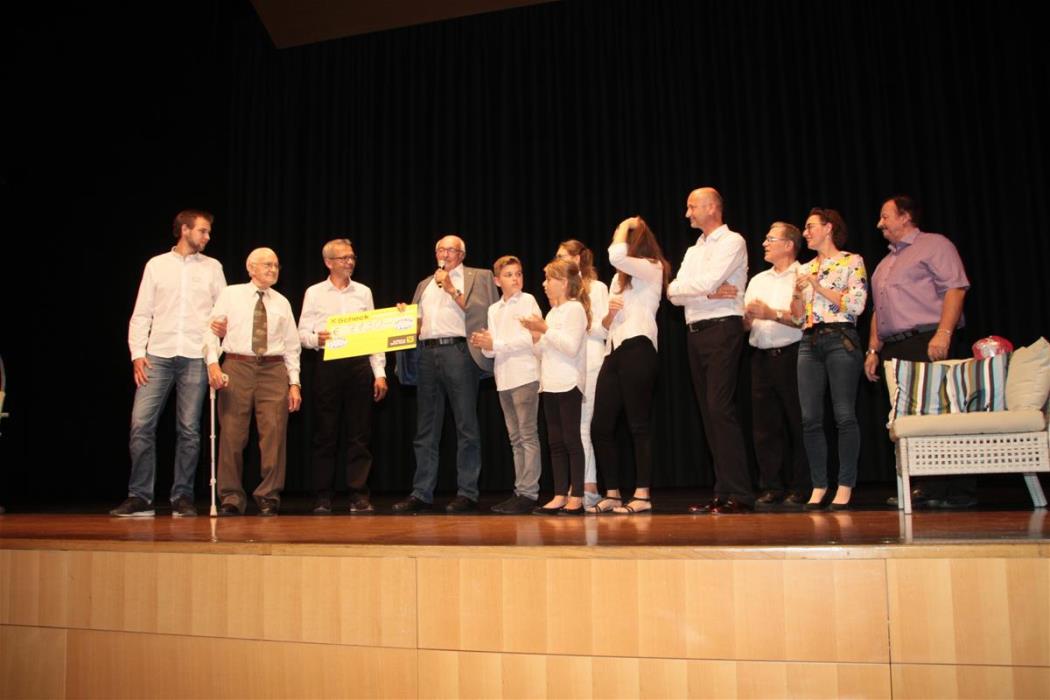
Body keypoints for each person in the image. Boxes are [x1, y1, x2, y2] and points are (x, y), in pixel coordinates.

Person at [111, 210, 226, 517]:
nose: (207, 236)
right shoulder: (157, 265)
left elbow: (221, 313)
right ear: (184, 230)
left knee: (189, 429)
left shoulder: (213, 267)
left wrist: (216, 348)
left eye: (208, 232)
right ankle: (140, 496)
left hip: (195, 354)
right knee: (141, 424)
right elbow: (142, 313)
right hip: (158, 355)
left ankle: (182, 496)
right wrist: (138, 353)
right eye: (202, 231)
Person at [864, 195, 972, 508]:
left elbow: (955, 289)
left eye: (885, 216)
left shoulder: (935, 245)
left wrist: (943, 333)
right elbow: (879, 310)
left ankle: (959, 490)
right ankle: (926, 486)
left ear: (905, 216)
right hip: (894, 347)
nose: (880, 224)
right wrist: (873, 349)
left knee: (943, 415)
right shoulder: (885, 263)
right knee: (909, 419)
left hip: (927, 340)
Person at [393, 235, 499, 513]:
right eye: (440, 249)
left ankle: (467, 492)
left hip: (458, 352)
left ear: (462, 254)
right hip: (427, 354)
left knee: (466, 425)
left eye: (451, 250)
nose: (445, 253)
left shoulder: (479, 277)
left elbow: (482, 313)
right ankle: (421, 492)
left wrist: (451, 288)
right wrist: (405, 317)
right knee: (426, 428)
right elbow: (417, 326)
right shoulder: (425, 284)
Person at [668, 187, 753, 514]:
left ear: (712, 207)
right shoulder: (694, 250)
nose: (687, 213)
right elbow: (672, 291)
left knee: (720, 408)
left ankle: (740, 493)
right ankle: (723, 490)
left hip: (722, 329)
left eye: (692, 207)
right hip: (696, 332)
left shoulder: (732, 241)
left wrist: (703, 290)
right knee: (708, 412)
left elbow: (704, 283)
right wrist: (705, 292)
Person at [204, 248, 302, 516]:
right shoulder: (231, 294)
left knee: (274, 434)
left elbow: (292, 346)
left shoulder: (282, 302)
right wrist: (212, 363)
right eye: (267, 264)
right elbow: (211, 331)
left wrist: (294, 383)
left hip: (273, 369)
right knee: (232, 434)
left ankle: (268, 495)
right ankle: (231, 497)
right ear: (251, 268)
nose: (273, 269)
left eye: (276, 265)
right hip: (238, 365)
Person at [298, 239, 388, 515]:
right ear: (328, 262)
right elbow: (301, 333)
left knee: (360, 433)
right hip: (328, 363)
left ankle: (358, 494)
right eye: (343, 258)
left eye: (352, 257)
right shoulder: (314, 292)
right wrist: (316, 339)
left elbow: (374, 334)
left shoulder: (363, 292)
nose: (349, 262)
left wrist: (379, 373)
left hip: (359, 365)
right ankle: (322, 495)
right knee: (325, 432)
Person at [588, 217, 670, 514]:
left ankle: (642, 494)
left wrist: (624, 225)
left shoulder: (652, 266)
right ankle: (612, 493)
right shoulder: (619, 278)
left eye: (620, 236)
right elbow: (604, 325)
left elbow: (617, 255)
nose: (615, 240)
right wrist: (609, 316)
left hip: (639, 347)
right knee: (601, 425)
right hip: (614, 350)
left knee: (638, 423)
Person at [791, 208, 868, 510]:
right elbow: (797, 318)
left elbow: (856, 305)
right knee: (810, 418)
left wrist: (817, 286)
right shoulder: (804, 268)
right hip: (809, 341)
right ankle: (819, 484)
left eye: (810, 226)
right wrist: (798, 294)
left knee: (843, 415)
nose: (806, 233)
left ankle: (845, 484)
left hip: (841, 338)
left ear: (828, 228)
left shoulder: (852, 261)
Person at [741, 222, 811, 509]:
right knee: (765, 427)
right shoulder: (758, 280)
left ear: (789, 245)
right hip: (760, 358)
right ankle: (772, 486)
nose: (764, 244)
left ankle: (802, 486)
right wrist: (747, 318)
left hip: (794, 355)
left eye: (771, 239)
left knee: (799, 422)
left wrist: (771, 313)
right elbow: (746, 326)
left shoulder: (805, 275)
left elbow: (806, 319)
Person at [470, 256, 542, 514]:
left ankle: (529, 493)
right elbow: (493, 351)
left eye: (519, 273)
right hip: (503, 378)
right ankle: (520, 490)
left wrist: (496, 344)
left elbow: (530, 339)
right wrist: (485, 344)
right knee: (515, 439)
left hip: (525, 375)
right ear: (498, 281)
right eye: (509, 275)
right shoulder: (494, 309)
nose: (516, 279)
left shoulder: (527, 300)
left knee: (527, 435)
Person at [522, 259, 590, 515]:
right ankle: (560, 494)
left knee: (571, 440)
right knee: (555, 442)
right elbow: (543, 352)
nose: (544, 284)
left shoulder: (575, 309)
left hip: (569, 382)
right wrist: (535, 337)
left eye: (549, 279)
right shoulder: (552, 313)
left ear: (563, 282)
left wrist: (544, 329)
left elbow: (570, 347)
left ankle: (577, 495)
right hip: (549, 383)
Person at [555, 239, 609, 509]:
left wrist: (579, 323)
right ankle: (580, 484)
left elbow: (603, 328)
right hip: (569, 361)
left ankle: (588, 486)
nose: (558, 260)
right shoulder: (563, 292)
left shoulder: (597, 288)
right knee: (572, 426)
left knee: (583, 424)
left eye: (563, 256)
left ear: (578, 259)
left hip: (590, 357)